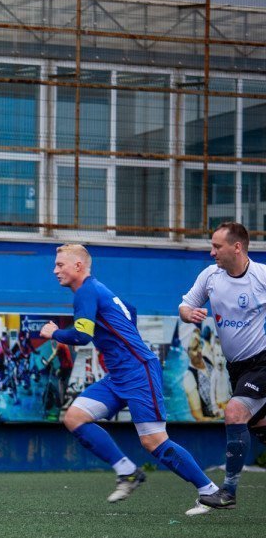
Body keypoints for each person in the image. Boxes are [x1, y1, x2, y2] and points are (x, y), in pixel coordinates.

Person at [40, 244, 220, 509]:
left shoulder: (87, 291)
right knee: (74, 417)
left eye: (60, 265)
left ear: (78, 266)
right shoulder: (98, 289)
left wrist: (54, 333)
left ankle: (209, 490)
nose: (55, 270)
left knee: (153, 441)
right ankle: (128, 472)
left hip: (138, 372)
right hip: (119, 375)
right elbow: (130, 310)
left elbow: (82, 336)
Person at [179, 221, 266, 515]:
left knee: (234, 413)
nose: (212, 252)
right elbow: (185, 305)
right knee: (256, 425)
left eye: (217, 246)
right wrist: (188, 313)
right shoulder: (210, 277)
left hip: (262, 361)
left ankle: (227, 492)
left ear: (237, 247)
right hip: (236, 368)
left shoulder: (261, 277)